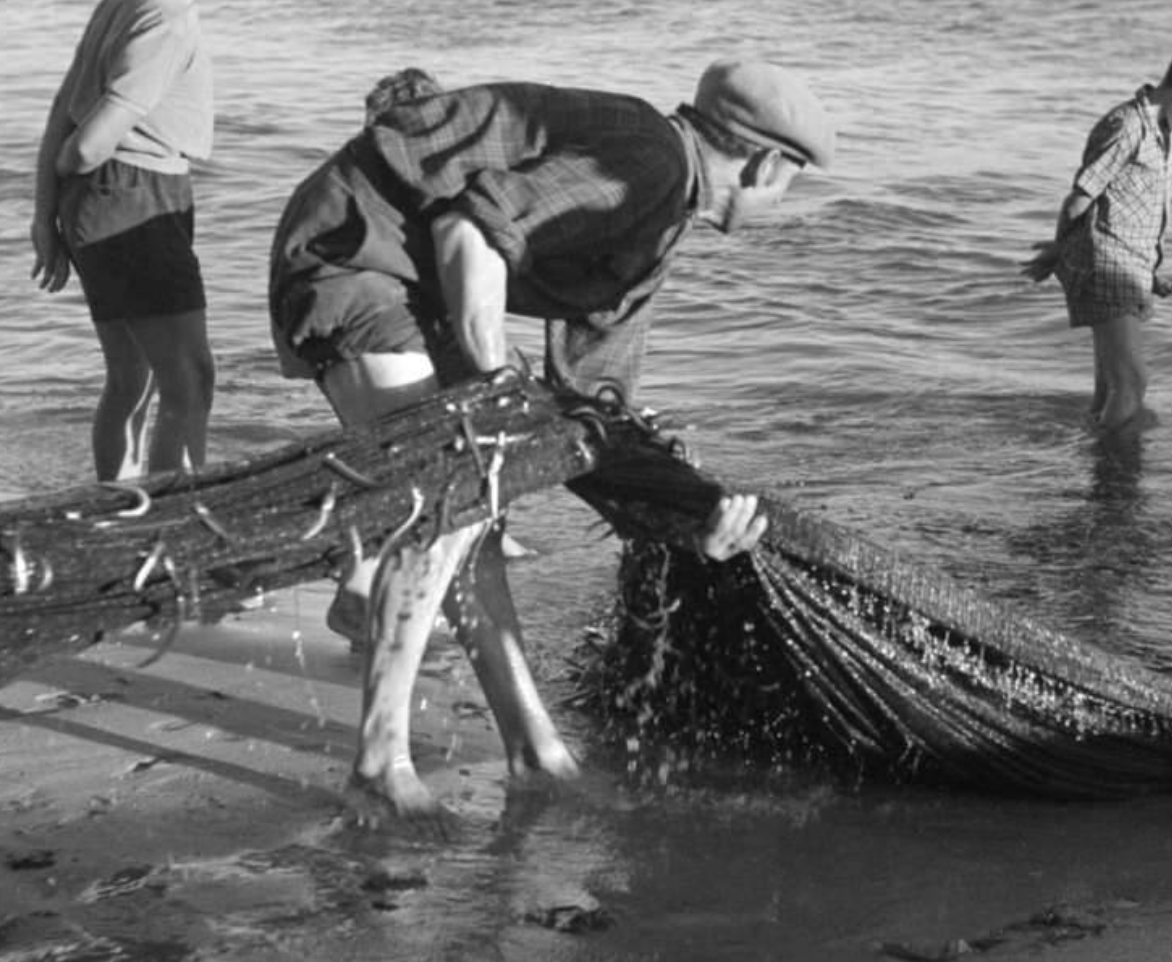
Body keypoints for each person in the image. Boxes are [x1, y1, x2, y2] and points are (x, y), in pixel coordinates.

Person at [269, 58, 837, 824]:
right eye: (794, 184)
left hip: (407, 276)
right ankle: (377, 765)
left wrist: (693, 514)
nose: (786, 204)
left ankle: (534, 751)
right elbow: (469, 229)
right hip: (352, 256)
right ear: (769, 163)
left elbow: (593, 411)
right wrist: (493, 393)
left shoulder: (659, 214)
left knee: (477, 518)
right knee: (446, 503)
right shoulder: (649, 164)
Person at [30, 0, 294, 481]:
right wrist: (77, 167)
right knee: (191, 379)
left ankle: (119, 510)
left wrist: (48, 212)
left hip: (102, 203)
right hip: (137, 199)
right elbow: (88, 140)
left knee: (131, 377)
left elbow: (59, 112)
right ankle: (175, 518)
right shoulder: (169, 18)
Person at [1021, 42, 1172, 432]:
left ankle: (1098, 463)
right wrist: (1061, 250)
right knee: (1131, 383)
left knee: (1111, 386)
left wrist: (1150, 275)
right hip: (1107, 266)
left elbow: (1129, 209)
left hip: (1126, 266)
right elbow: (1079, 198)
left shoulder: (1159, 131)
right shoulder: (1126, 127)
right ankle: (1114, 470)